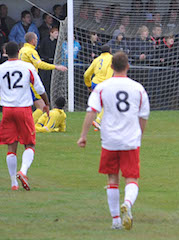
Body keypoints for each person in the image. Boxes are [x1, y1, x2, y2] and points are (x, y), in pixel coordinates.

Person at [78, 52, 149, 230]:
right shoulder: (138, 88)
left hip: (109, 139)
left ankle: (116, 220)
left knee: (112, 178)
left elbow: (91, 111)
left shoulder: (102, 88)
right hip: (130, 140)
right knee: (132, 178)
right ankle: (127, 203)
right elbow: (143, 116)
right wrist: (139, 134)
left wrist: (83, 136)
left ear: (111, 67)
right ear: (128, 66)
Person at [0, 42, 51, 191]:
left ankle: (13, 183)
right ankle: (23, 171)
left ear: (5, 52)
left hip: (7, 110)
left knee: (11, 146)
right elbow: (40, 88)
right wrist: (46, 104)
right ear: (19, 52)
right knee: (30, 143)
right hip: (23, 109)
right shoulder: (27, 67)